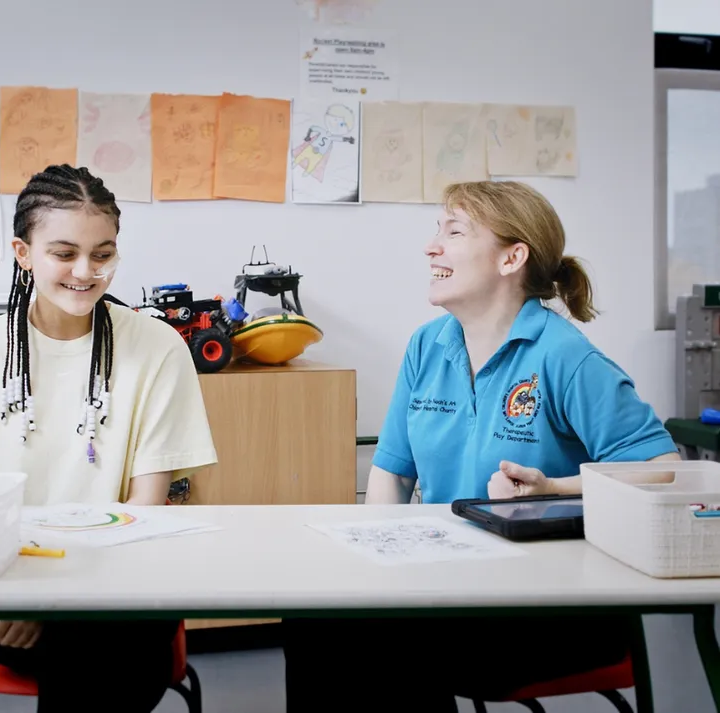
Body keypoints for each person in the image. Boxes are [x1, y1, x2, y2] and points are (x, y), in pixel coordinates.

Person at [281, 180, 679, 712]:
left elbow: (664, 470)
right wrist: (377, 563)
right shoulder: (427, 344)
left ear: (512, 258)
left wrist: (554, 488)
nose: (431, 247)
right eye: (437, 230)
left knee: (380, 644)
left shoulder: (565, 357)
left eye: (455, 232)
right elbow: (393, 472)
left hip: (547, 608)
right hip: (447, 586)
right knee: (316, 618)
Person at [0, 164, 218, 713]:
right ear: (23, 252)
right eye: (64, 253)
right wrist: (15, 600)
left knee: (93, 645)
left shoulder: (157, 347)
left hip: (121, 597)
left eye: (103, 254)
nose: (86, 272)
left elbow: (146, 510)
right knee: (80, 653)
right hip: (10, 596)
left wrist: (54, 602)